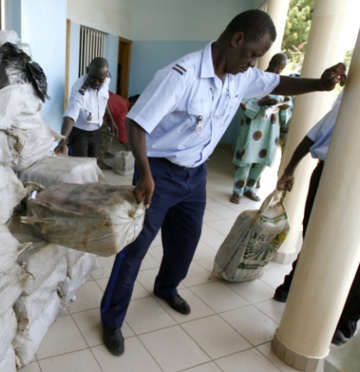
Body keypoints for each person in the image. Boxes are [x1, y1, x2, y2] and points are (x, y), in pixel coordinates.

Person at [99, 9, 346, 357]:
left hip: (196, 175)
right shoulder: (180, 75)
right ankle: (111, 319)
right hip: (160, 173)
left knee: (186, 243)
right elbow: (137, 125)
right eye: (252, 54)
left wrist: (319, 85)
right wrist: (146, 172)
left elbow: (279, 84)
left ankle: (166, 287)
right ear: (237, 39)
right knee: (135, 247)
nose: (253, 63)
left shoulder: (239, 75)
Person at [273, 90, 358, 345]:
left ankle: (344, 319)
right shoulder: (352, 102)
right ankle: (293, 285)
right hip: (331, 176)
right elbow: (314, 135)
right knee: (315, 237)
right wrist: (289, 169)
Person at [230, 53, 294, 204]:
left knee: (261, 161)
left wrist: (283, 107)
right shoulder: (256, 79)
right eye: (277, 65)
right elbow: (243, 99)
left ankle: (249, 189)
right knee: (245, 160)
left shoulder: (281, 84)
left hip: (270, 130)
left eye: (282, 67)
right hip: (252, 127)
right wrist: (262, 104)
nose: (278, 70)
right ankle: (237, 191)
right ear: (271, 61)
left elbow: (288, 105)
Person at [55, 57, 117, 157]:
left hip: (96, 130)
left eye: (100, 80)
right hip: (80, 132)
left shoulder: (106, 79)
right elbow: (70, 116)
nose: (96, 83)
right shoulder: (80, 90)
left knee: (93, 163)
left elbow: (103, 100)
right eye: (93, 78)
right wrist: (63, 139)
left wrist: (111, 121)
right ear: (87, 70)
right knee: (80, 165)